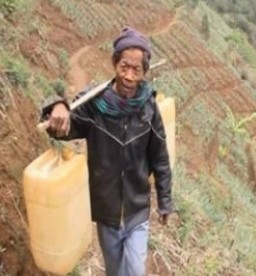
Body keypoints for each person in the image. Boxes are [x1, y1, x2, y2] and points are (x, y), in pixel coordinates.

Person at [40, 27, 173, 276]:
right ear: (114, 63)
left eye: (137, 70)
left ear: (145, 72)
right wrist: (56, 106)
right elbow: (63, 127)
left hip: (137, 210)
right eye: (124, 67)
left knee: (133, 271)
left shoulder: (149, 109)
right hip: (106, 213)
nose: (130, 77)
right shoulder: (94, 105)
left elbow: (161, 158)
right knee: (114, 271)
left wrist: (165, 200)